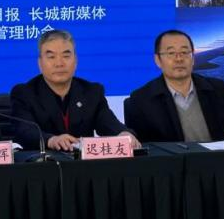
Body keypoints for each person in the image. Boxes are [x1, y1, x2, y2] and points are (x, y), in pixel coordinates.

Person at [11, 29, 139, 152]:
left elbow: (108, 122)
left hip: (82, 165)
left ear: (76, 60)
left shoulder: (92, 92)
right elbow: (24, 132)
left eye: (66, 56)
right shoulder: (24, 93)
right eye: (51, 57)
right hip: (41, 164)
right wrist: (51, 140)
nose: (59, 63)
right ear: (40, 63)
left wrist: (123, 133)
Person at [124, 29, 224, 142]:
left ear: (193, 58)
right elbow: (143, 148)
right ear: (157, 60)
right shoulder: (141, 100)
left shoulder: (217, 89)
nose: (179, 59)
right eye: (171, 53)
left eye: (184, 52)